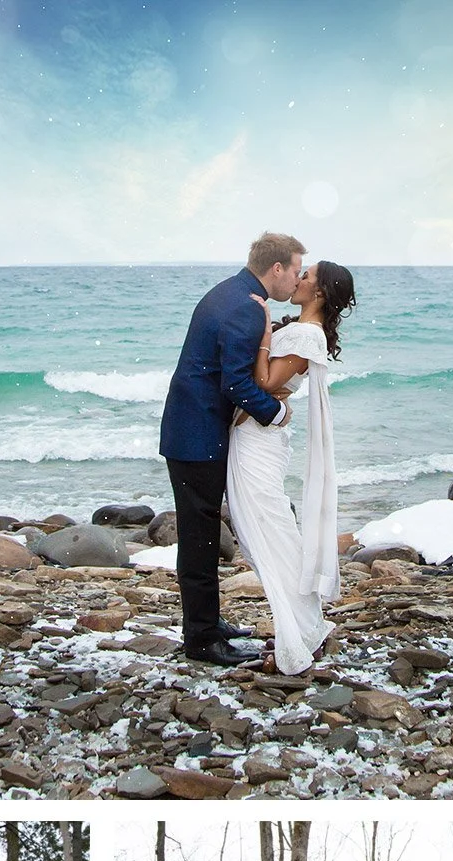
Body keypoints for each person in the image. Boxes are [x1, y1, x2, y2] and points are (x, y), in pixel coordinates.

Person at [159, 232, 305, 666]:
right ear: (275, 269)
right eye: (295, 271)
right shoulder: (244, 304)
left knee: (201, 534)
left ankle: (208, 623)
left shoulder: (233, 292)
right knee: (200, 538)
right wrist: (276, 415)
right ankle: (202, 640)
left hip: (193, 428)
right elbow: (237, 383)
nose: (296, 281)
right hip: (196, 436)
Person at [229, 261, 356, 674]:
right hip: (256, 434)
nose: (298, 280)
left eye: (307, 277)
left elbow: (265, 383)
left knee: (273, 531)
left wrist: (264, 332)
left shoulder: (305, 334)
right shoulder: (303, 330)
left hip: (258, 440)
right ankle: (304, 624)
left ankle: (302, 628)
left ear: (318, 293)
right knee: (265, 529)